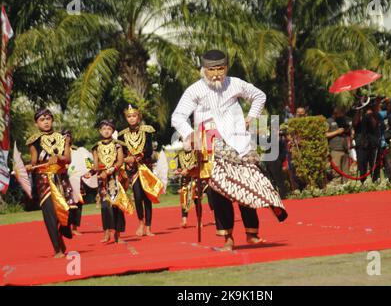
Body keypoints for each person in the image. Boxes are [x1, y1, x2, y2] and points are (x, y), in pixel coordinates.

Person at [171, 49, 287, 251]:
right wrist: (191, 134)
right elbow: (178, 117)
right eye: (212, 70)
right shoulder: (194, 90)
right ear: (203, 70)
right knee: (220, 192)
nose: (216, 74)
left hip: (240, 144)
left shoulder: (235, 83)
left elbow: (259, 96)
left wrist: (251, 117)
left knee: (247, 185)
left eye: (220, 69)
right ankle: (228, 239)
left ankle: (252, 233)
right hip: (211, 147)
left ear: (226, 68)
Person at [25, 108, 74, 258]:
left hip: (61, 179)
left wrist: (59, 157)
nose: (45, 122)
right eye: (42, 119)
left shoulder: (63, 137)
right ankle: (57, 249)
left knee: (68, 211)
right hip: (43, 180)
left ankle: (61, 234)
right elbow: (34, 161)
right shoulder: (33, 141)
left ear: (52, 120)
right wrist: (28, 166)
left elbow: (68, 159)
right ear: (36, 123)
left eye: (48, 119)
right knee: (50, 214)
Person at [87, 120, 133, 243]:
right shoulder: (96, 147)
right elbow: (95, 164)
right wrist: (91, 172)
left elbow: (120, 161)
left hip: (115, 179)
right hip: (102, 180)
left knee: (117, 206)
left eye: (109, 128)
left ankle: (118, 234)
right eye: (104, 128)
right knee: (105, 207)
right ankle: (106, 232)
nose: (106, 131)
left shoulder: (118, 145)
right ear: (100, 131)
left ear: (112, 131)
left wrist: (110, 170)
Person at [118, 104, 160, 237]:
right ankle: (140, 223)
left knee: (147, 196)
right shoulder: (122, 135)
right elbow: (122, 152)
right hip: (132, 170)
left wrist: (136, 157)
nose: (131, 119)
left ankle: (148, 226)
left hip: (145, 167)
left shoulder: (147, 131)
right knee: (137, 196)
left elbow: (149, 150)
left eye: (134, 116)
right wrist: (126, 160)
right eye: (129, 116)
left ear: (139, 116)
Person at [352, 99, 381, 181]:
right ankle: (362, 184)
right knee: (362, 168)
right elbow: (355, 124)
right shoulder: (359, 113)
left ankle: (375, 182)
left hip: (373, 144)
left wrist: (370, 114)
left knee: (374, 167)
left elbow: (374, 125)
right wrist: (359, 109)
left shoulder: (374, 114)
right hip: (361, 144)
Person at [326, 107, 351, 183]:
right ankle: (337, 189)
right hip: (335, 149)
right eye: (341, 112)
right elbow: (325, 134)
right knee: (336, 173)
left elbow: (349, 133)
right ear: (335, 112)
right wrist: (337, 132)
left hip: (345, 149)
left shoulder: (344, 121)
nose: (342, 114)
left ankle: (346, 188)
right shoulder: (329, 121)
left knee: (346, 172)